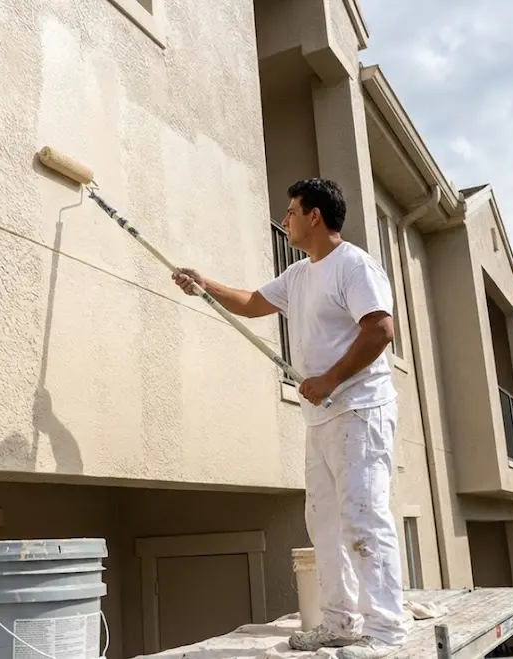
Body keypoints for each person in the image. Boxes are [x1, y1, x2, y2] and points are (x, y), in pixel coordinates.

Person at [171, 178, 407, 659]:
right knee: (324, 524)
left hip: (360, 411)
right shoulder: (299, 274)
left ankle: (386, 631)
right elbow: (252, 303)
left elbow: (380, 330)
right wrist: (205, 286)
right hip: (320, 418)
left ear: (314, 216)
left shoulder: (354, 266)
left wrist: (330, 379)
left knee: (362, 518)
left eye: (292, 212)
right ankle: (340, 623)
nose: (285, 220)